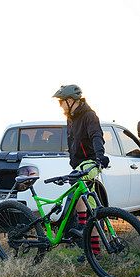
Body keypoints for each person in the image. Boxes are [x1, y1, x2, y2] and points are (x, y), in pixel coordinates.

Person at [53, 84, 109, 261]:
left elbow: (96, 136)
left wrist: (100, 157)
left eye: (61, 102)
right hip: (77, 164)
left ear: (70, 101)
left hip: (90, 163)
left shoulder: (88, 116)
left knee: (76, 186)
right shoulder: (71, 117)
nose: (60, 106)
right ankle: (94, 252)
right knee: (92, 208)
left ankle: (82, 227)